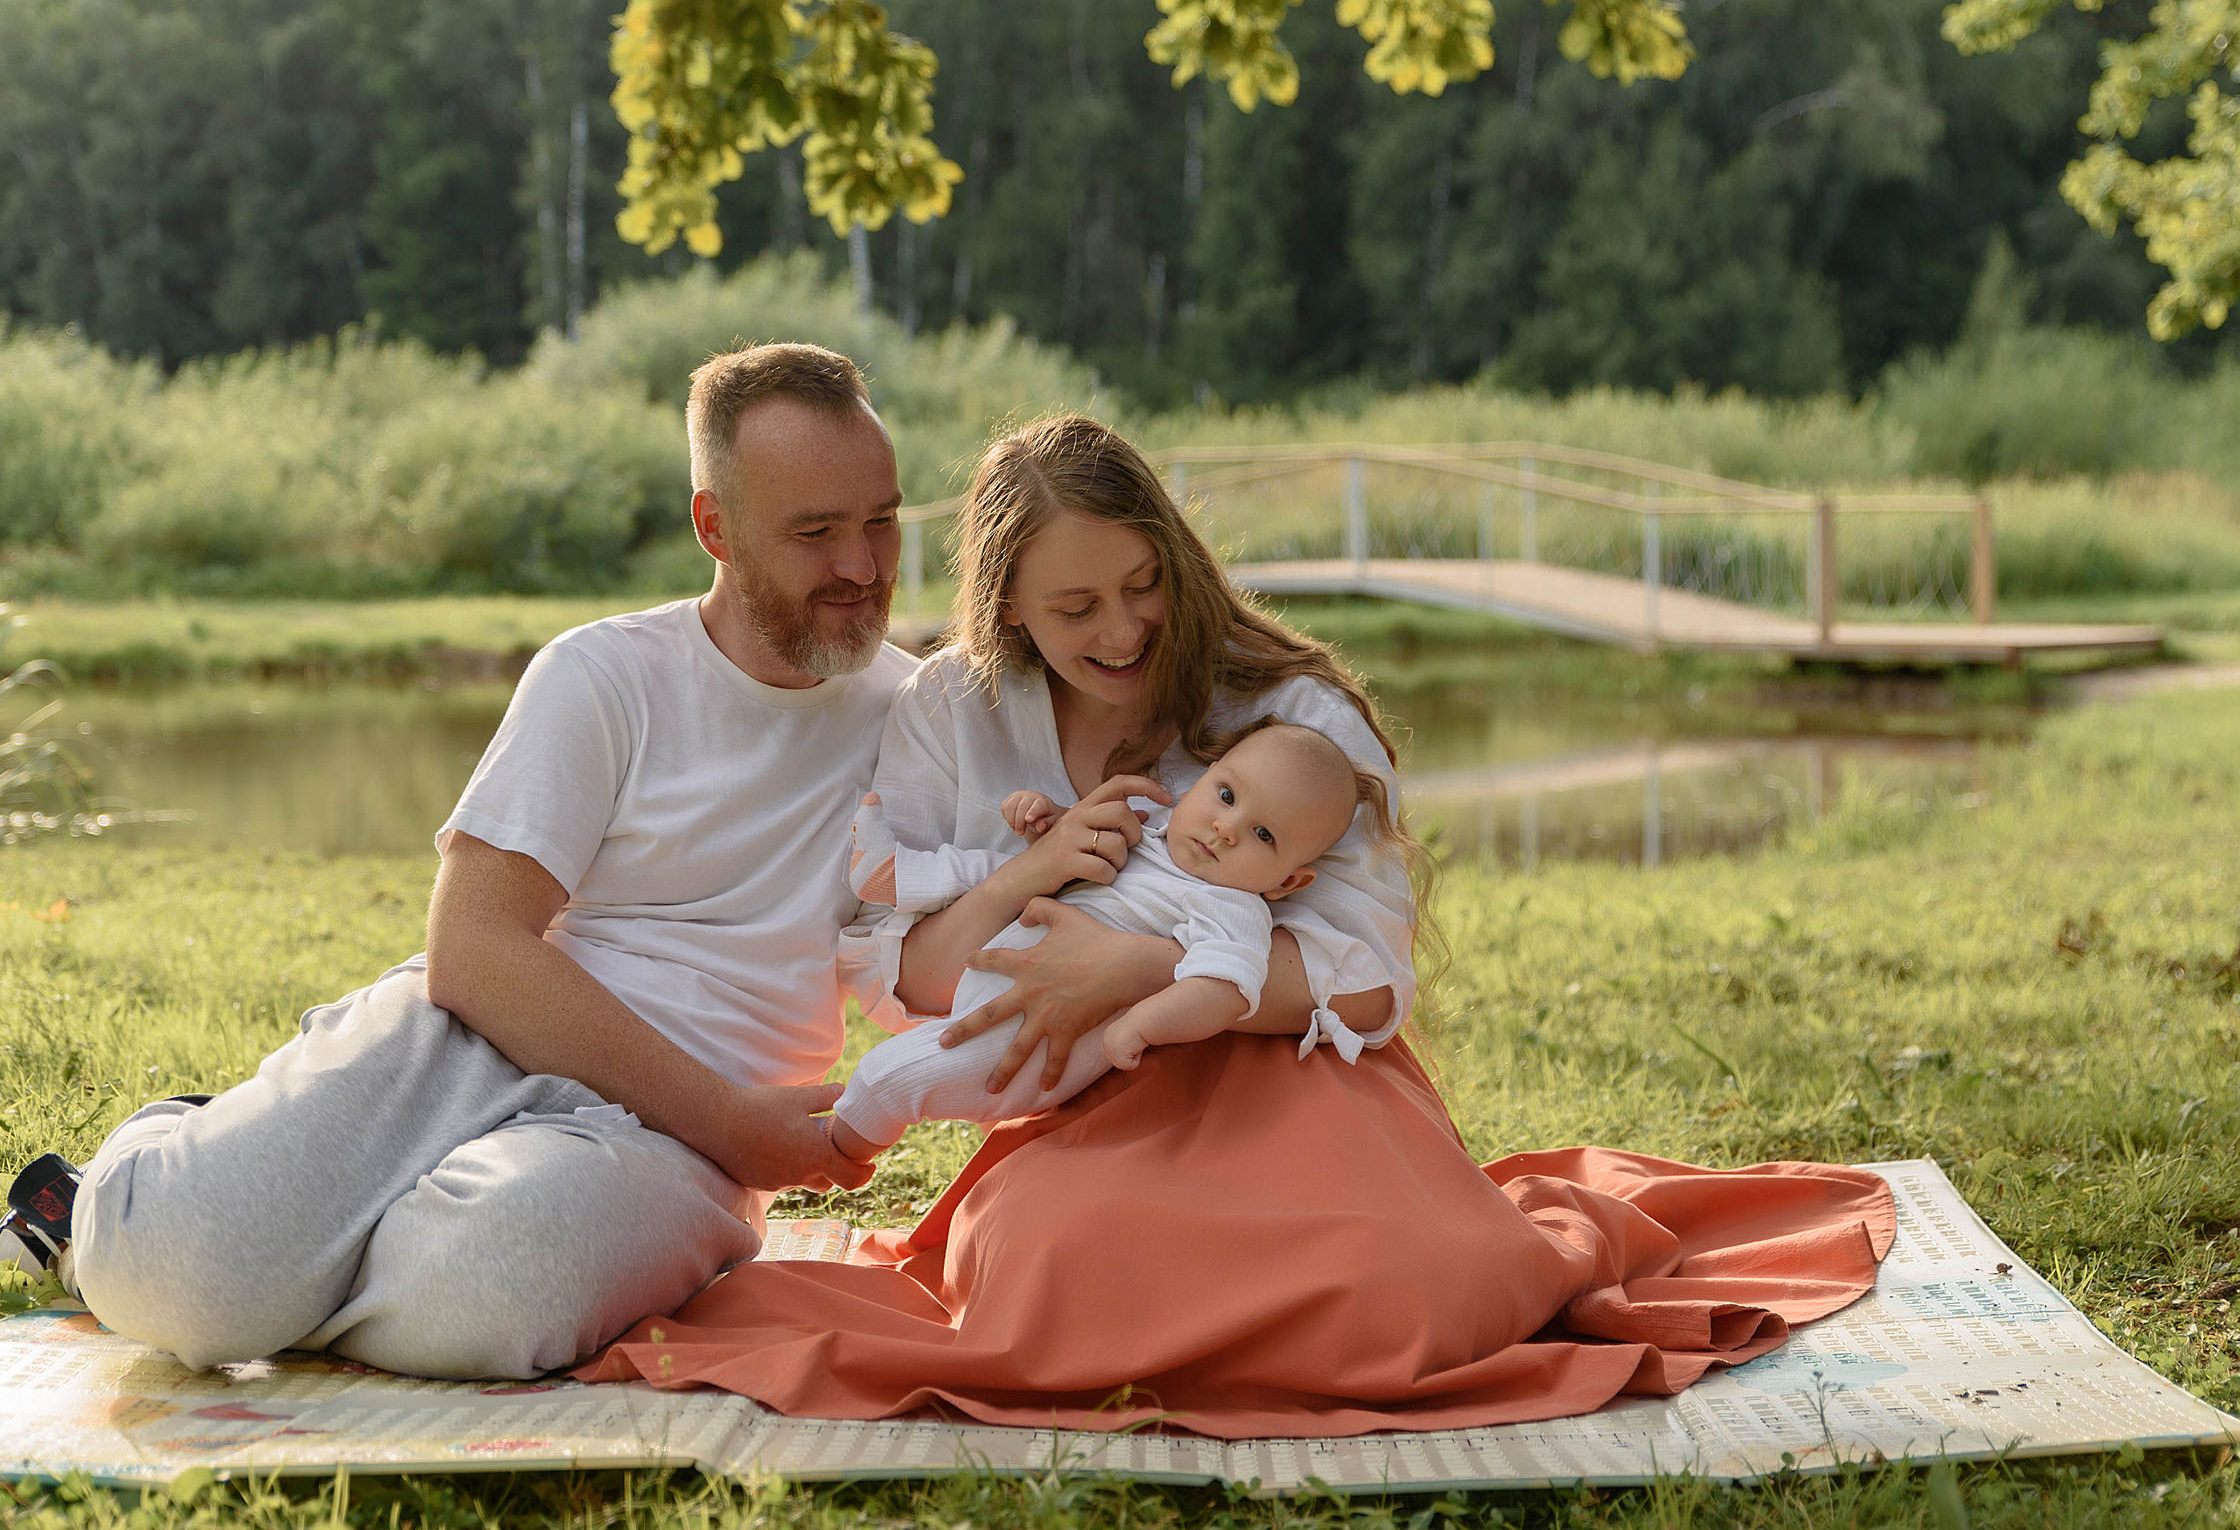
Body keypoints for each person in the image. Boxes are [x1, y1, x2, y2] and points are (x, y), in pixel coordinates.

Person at [579, 414, 1895, 1436]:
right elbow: (899, 978)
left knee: (1401, 1291)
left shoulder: (1291, 718)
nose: (1123, 628)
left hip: (1296, 1081)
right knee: (1066, 1274)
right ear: (1007, 611)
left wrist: (1142, 961)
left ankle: (1387, 1252)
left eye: (1142, 584)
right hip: (1090, 1097)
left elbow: (1367, 969)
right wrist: (1021, 887)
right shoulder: (954, 711)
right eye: (1074, 606)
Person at [0, 342, 921, 1379]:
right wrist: (735, 1119)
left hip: (674, 1153)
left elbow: (949, 942)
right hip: (477, 1039)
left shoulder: (924, 720)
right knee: (183, 1270)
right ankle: (133, 1182)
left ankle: (293, 1252)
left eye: (882, 520)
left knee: (485, 1296)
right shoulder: (603, 676)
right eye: (815, 532)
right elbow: (473, 949)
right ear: (715, 529)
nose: (863, 566)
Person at [827, 719, 1391, 1159]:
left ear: (1289, 881)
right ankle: (894, 874)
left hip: (1035, 1036)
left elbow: (1225, 990)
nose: (1227, 828)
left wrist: (1138, 1025)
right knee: (1002, 866)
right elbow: (1069, 850)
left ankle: (832, 1154)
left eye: (1262, 834)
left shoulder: (1233, 907)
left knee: (886, 1077)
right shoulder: (1150, 832)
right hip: (1000, 976)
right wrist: (1046, 819)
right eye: (1225, 795)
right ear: (1202, 777)